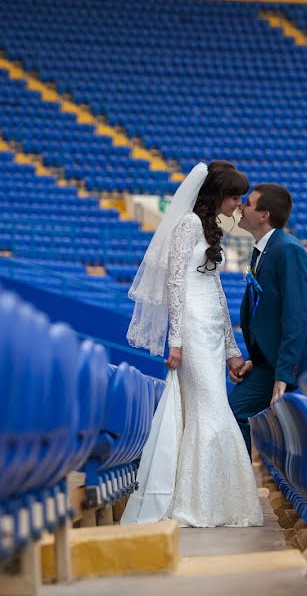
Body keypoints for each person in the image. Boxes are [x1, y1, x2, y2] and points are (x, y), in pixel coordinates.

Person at [121, 161, 263, 527]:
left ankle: (214, 501)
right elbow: (174, 283)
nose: (238, 204)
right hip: (193, 331)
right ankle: (199, 503)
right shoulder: (187, 225)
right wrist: (177, 339)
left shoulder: (208, 227)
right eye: (234, 196)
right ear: (217, 194)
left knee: (213, 410)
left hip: (212, 330)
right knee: (209, 412)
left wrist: (232, 347)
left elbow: (214, 288)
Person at [229, 183, 307, 455]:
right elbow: (264, 316)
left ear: (263, 215)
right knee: (235, 412)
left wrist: (283, 375)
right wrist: (253, 360)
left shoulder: (288, 250)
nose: (241, 207)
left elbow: (295, 317)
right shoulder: (263, 251)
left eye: (248, 203)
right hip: (274, 359)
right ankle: (240, 490)